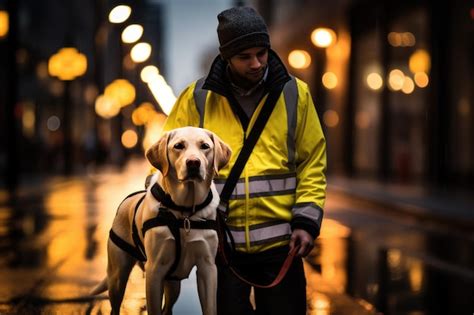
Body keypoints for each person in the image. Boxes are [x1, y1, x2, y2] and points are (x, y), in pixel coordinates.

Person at [161, 6, 326, 315]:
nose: (256, 63)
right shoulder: (196, 99)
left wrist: (306, 221)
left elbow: (312, 163)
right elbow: (167, 162)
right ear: (226, 57)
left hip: (282, 246)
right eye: (245, 56)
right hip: (222, 247)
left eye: (262, 53)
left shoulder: (295, 94)